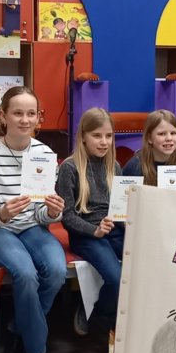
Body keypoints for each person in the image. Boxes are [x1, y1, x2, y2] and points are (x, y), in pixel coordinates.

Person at [0, 86, 66, 353]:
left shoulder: (44, 154)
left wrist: (53, 212)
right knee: (25, 274)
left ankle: (16, 329)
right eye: (17, 113)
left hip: (32, 227)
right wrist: (2, 214)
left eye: (31, 114)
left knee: (57, 270)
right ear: (3, 116)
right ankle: (35, 350)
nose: (25, 120)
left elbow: (43, 214)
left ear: (38, 117)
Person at [55, 108, 123, 335]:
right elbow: (67, 217)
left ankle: (117, 318)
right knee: (116, 278)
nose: (104, 142)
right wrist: (95, 231)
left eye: (109, 136)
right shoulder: (69, 167)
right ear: (83, 136)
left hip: (114, 230)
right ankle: (94, 313)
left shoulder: (114, 166)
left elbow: (121, 207)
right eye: (97, 136)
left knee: (143, 264)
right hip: (86, 235)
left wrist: (127, 220)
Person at [122, 109, 176, 188]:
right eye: (162, 134)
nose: (169, 138)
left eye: (173, 133)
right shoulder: (135, 166)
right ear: (149, 138)